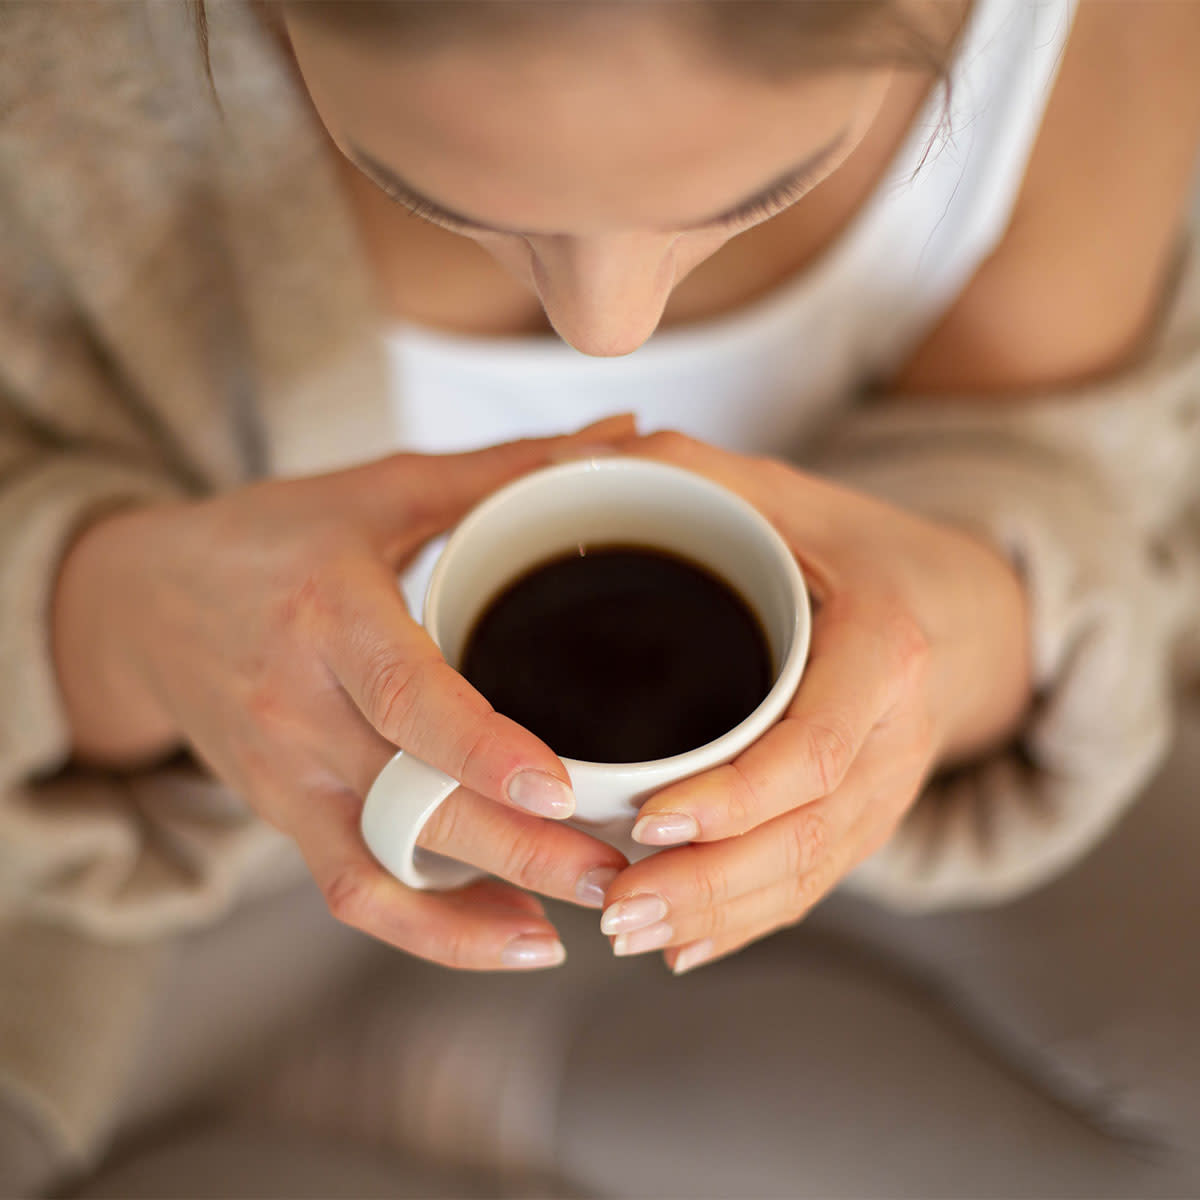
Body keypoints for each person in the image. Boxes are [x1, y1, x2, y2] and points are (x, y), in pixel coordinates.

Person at [1, 0, 1199, 1195]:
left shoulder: (1088, 35)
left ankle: (452, 1076)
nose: (608, 335)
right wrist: (121, 620)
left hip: (825, 873)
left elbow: (1070, 471)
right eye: (434, 195)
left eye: (760, 190)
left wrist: (951, 635)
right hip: (189, 888)